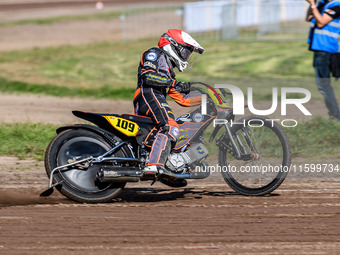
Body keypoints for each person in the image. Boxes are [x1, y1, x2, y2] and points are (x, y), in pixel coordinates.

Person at [133, 29, 204, 183]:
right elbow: (148, 75)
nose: (186, 57)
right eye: (185, 52)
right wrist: (174, 83)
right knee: (170, 127)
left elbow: (183, 99)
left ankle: (168, 167)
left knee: (176, 128)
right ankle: (153, 165)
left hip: (154, 96)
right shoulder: (154, 53)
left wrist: (207, 97)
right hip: (147, 94)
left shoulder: (168, 70)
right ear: (173, 45)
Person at [306, 0, 340, 121]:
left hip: (326, 49)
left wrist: (313, 5)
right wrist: (312, 4)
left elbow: (321, 23)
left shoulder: (337, 5)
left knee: (324, 85)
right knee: (324, 85)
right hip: (319, 49)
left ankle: (335, 115)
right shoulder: (323, 3)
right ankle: (335, 114)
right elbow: (309, 17)